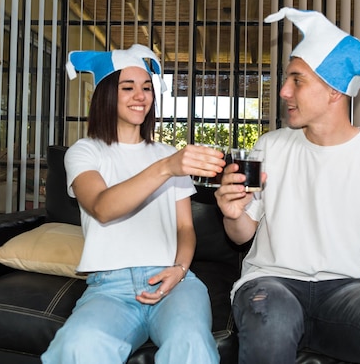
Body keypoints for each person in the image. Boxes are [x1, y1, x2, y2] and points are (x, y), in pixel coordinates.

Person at [215, 8, 360, 364]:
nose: (284, 90)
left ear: (334, 91)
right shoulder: (269, 146)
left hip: (345, 289)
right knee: (270, 328)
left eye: (297, 80)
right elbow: (241, 235)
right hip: (272, 282)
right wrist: (232, 213)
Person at [41, 44, 224, 364]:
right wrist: (167, 167)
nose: (140, 96)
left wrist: (179, 270)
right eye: (128, 87)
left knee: (191, 344)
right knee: (78, 347)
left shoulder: (167, 153)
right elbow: (102, 206)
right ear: (106, 94)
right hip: (111, 287)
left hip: (174, 282)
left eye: (146, 88)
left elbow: (185, 227)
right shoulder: (85, 152)